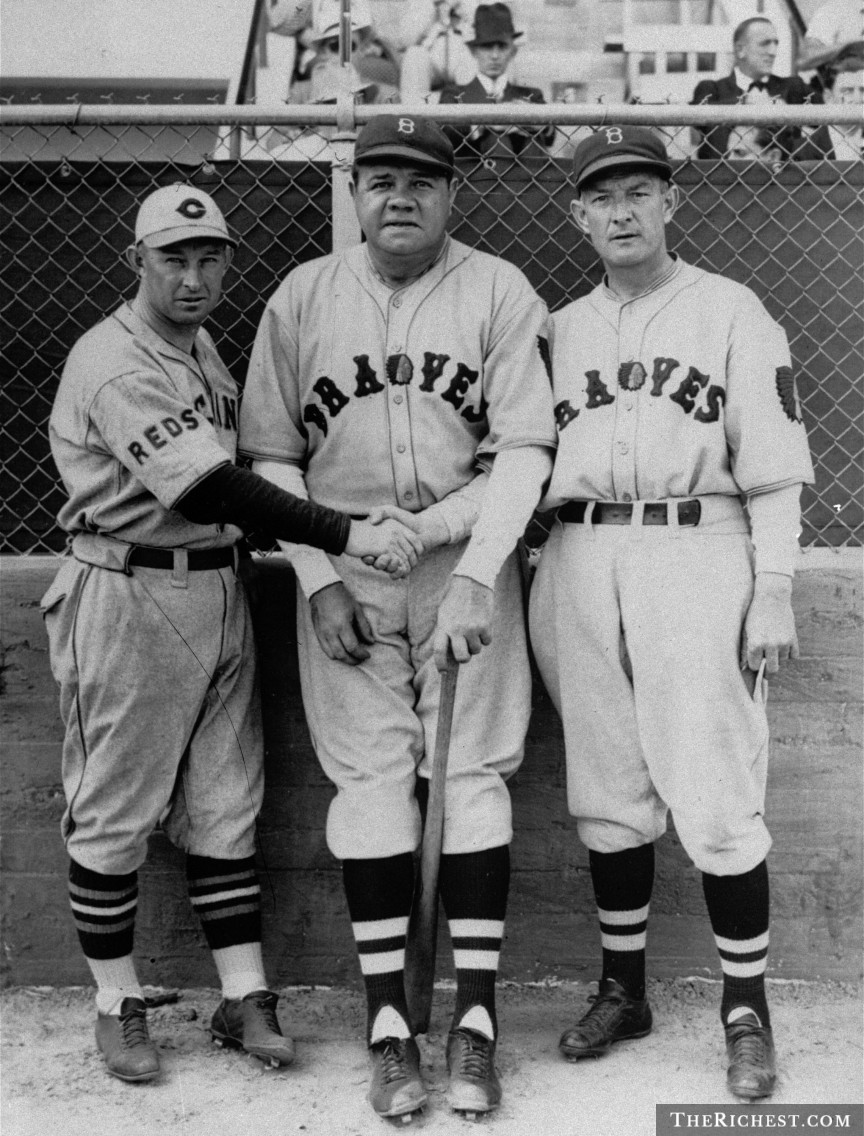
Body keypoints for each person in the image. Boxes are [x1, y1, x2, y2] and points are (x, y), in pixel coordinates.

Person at [41, 184, 422, 1084]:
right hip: (128, 588)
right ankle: (116, 1002)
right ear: (135, 261)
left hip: (219, 590)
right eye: (173, 258)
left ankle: (242, 996)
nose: (194, 276)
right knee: (111, 811)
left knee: (226, 803)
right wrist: (345, 531)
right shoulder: (114, 358)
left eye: (210, 257)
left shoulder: (201, 345)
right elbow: (210, 487)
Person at [238, 115, 557, 1121]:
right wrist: (317, 571)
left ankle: (475, 1021)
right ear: (355, 190)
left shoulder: (499, 288)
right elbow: (269, 457)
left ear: (453, 193)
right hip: (344, 573)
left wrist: (474, 565)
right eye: (379, 178)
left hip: (466, 563)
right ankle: (387, 1026)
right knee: (371, 782)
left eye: (421, 179)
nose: (399, 197)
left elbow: (525, 450)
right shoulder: (302, 296)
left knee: (473, 776)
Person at [528, 127, 814, 1101]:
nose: (619, 212)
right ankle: (625, 987)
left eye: (637, 192)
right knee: (605, 783)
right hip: (577, 553)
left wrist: (772, 581)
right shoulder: (556, 329)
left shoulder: (731, 309)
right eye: (601, 197)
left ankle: (747, 1009)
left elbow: (774, 466)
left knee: (715, 783)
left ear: (670, 201)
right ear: (577, 213)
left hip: (699, 546)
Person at [439, 3, 555, 158]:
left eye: (502, 47)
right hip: (474, 178)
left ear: (512, 52)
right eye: (487, 47)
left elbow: (550, 137)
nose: (495, 56)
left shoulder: (531, 95)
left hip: (525, 176)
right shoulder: (454, 94)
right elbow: (444, 135)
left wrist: (535, 124)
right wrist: (486, 122)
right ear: (474, 51)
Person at [691, 17, 815, 159]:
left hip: (779, 176)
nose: (773, 51)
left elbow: (830, 124)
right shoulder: (712, 89)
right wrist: (752, 103)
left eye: (776, 43)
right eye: (765, 44)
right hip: (719, 177)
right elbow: (698, 116)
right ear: (740, 50)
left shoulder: (793, 87)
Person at [398, 1, 477, 105]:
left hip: (464, 47)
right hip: (431, 50)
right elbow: (405, 40)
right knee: (414, 55)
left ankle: (472, 113)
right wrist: (430, 7)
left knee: (473, 59)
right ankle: (413, 113)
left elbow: (488, 28)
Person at [796, 66, 864, 157]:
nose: (858, 99)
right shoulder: (803, 151)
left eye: (863, 90)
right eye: (847, 91)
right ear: (828, 97)